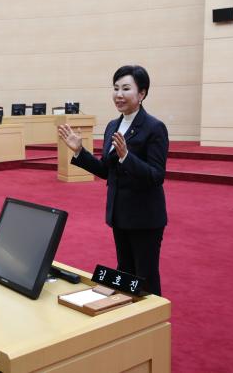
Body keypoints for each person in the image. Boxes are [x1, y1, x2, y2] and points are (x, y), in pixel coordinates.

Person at [58, 65, 168, 296]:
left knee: (145, 278)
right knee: (125, 274)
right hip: (119, 214)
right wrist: (80, 152)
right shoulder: (113, 126)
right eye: (116, 88)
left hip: (145, 217)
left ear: (142, 94)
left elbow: (156, 176)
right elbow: (107, 171)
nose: (119, 94)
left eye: (126, 88)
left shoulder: (154, 128)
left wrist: (127, 157)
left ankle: (152, 326)